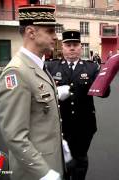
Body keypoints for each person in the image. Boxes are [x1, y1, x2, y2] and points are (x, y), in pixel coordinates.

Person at [0, 4, 64, 180]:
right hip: (35, 173)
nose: (55, 36)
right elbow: (15, 136)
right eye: (49, 31)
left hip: (52, 160)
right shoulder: (17, 72)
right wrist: (44, 173)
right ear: (31, 33)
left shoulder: (38, 66)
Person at [46, 29, 110, 180]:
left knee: (80, 158)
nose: (72, 48)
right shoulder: (51, 67)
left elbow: (104, 94)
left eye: (75, 44)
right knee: (63, 159)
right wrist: (55, 93)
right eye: (68, 45)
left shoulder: (92, 67)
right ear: (62, 47)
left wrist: (106, 80)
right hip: (60, 124)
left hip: (85, 124)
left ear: (81, 47)